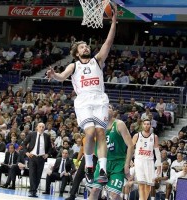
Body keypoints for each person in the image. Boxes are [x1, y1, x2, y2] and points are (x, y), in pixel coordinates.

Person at [46, 5, 117, 184]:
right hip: (84, 101)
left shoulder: (97, 60)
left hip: (99, 98)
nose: (86, 48)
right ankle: (88, 165)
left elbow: (108, 43)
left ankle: (101, 169)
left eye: (86, 46)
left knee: (101, 133)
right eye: (82, 47)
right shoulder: (74, 65)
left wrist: (114, 22)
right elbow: (62, 76)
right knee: (91, 131)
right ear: (77, 52)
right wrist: (53, 75)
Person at [88, 104, 134, 200]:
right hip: (103, 164)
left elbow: (130, 145)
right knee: (94, 191)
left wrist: (126, 165)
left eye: (109, 107)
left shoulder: (119, 124)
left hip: (118, 164)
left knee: (114, 195)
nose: (106, 109)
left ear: (113, 112)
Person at [132, 119, 162, 200]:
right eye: (144, 124)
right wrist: (130, 160)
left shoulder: (154, 137)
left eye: (148, 124)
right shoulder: (137, 135)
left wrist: (159, 164)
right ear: (142, 125)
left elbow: (157, 151)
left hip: (149, 161)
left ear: (150, 125)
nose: (146, 125)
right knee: (141, 183)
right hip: (139, 160)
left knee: (149, 185)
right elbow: (131, 148)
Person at [23, 122, 51, 198]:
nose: (41, 128)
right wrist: (27, 153)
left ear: (44, 128)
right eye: (40, 127)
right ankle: (32, 191)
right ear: (37, 127)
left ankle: (34, 191)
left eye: (43, 127)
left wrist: (47, 154)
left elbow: (50, 148)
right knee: (32, 174)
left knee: (38, 175)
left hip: (41, 158)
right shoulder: (32, 134)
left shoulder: (47, 136)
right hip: (32, 157)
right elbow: (24, 144)